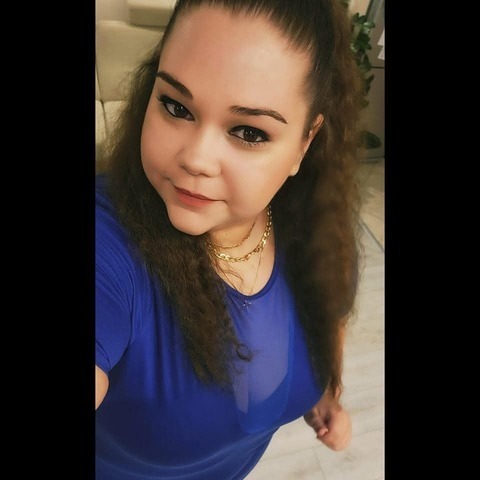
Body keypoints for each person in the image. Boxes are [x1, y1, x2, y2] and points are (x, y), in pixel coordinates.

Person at [95, 0, 364, 478]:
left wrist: (324, 392)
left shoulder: (317, 229)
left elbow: (331, 313)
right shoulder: (109, 241)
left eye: (249, 132)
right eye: (175, 106)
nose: (196, 158)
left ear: (304, 142)